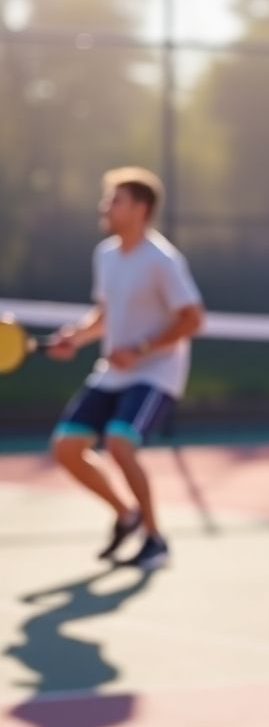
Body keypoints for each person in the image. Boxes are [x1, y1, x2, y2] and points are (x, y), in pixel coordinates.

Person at [46, 167, 204, 570]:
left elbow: (192, 319)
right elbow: (104, 314)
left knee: (119, 443)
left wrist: (142, 348)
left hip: (156, 373)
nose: (105, 207)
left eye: (115, 200)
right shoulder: (107, 255)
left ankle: (155, 538)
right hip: (112, 371)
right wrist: (75, 338)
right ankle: (126, 514)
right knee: (66, 448)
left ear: (141, 208)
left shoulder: (163, 261)